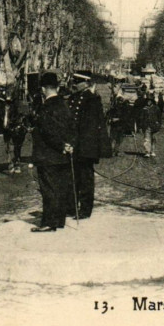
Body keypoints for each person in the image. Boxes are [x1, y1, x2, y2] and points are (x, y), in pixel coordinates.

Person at [31, 72, 75, 232]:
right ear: (57, 87)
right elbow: (72, 128)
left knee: (48, 189)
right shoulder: (65, 105)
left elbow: (47, 132)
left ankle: (49, 222)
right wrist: (69, 145)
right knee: (60, 188)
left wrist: (60, 145)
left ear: (43, 89)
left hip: (48, 155)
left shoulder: (46, 107)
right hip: (63, 156)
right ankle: (59, 220)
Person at [66, 71, 108, 219]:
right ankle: (71, 207)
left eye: (77, 82)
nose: (74, 85)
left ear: (85, 83)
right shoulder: (72, 98)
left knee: (85, 179)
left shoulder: (92, 99)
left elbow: (91, 127)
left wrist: (80, 145)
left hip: (85, 147)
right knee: (72, 177)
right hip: (74, 146)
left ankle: (85, 209)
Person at [134, 90, 161, 158]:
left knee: (154, 139)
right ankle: (147, 152)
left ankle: (153, 151)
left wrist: (159, 124)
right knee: (147, 139)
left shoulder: (156, 108)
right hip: (146, 126)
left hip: (154, 126)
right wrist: (140, 126)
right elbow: (141, 118)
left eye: (150, 101)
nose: (148, 102)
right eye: (148, 101)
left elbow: (159, 117)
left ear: (152, 101)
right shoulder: (144, 109)